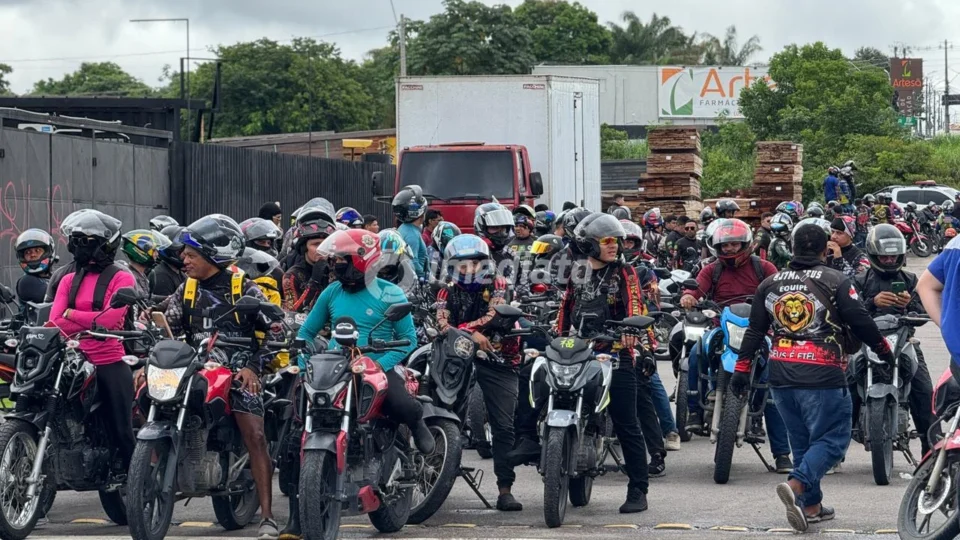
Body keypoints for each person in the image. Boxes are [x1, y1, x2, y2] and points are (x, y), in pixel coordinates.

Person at [733, 221, 894, 532]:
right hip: (823, 374)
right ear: (824, 250)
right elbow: (860, 320)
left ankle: (812, 506)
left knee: (804, 443)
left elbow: (754, 331)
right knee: (834, 440)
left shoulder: (770, 283)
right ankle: (796, 485)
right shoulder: (837, 279)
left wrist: (741, 369)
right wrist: (883, 350)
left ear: (792, 250)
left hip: (780, 376)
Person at [164, 214, 284, 540]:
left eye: (191, 255)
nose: (183, 259)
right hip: (192, 367)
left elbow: (276, 331)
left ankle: (268, 518)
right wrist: (148, 326)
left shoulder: (242, 287)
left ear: (212, 256)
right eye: (183, 254)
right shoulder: (186, 289)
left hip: (238, 369)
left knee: (255, 435)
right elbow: (166, 323)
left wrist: (253, 368)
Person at [553, 213, 656, 512]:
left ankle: (638, 489)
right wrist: (556, 339)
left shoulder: (626, 273)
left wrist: (636, 338)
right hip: (579, 351)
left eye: (618, 241)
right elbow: (565, 309)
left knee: (627, 422)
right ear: (589, 244)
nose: (615, 246)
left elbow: (637, 304)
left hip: (615, 352)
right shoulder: (577, 271)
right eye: (608, 241)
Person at [679, 219, 792, 472]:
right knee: (696, 355)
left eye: (733, 244)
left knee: (772, 380)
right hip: (721, 327)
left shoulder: (765, 267)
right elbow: (695, 291)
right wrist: (689, 297)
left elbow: (782, 294)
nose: (729, 249)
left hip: (760, 330)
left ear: (745, 244)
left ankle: (782, 454)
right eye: (724, 245)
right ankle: (696, 411)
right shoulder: (711, 270)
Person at [48, 210, 137, 485]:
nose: (82, 244)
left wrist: (72, 315)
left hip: (108, 359)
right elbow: (54, 321)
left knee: (122, 428)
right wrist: (81, 321)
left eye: (89, 239)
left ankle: (137, 482)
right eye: (78, 239)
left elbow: (110, 321)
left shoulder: (122, 278)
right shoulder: (66, 279)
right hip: (72, 358)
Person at [436, 234, 523, 511]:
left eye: (475, 263)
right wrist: (469, 334)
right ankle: (431, 477)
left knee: (503, 425)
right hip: (457, 356)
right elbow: (440, 322)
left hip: (500, 357)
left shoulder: (498, 283)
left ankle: (505, 488)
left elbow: (494, 315)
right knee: (437, 412)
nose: (469, 269)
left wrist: (466, 330)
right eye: (462, 265)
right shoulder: (445, 288)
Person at [854, 224, 934, 454]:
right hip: (866, 343)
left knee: (924, 391)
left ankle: (929, 450)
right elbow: (849, 311)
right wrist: (872, 303)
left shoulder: (910, 280)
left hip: (904, 343)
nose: (889, 260)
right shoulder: (860, 281)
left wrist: (909, 304)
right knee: (845, 386)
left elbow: (924, 313)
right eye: (884, 256)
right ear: (873, 254)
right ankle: (835, 449)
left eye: (893, 256)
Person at [282, 205, 337, 313]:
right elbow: (293, 312)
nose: (322, 249)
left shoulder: (336, 270)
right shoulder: (292, 276)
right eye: (316, 244)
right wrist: (314, 281)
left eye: (325, 244)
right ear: (303, 247)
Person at [393, 185, 430, 279]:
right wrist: (425, 278)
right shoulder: (412, 234)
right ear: (421, 212)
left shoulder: (404, 227)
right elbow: (412, 261)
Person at [15, 229, 57, 309]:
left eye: (37, 251)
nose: (33, 255)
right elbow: (56, 298)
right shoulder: (27, 281)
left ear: (48, 252)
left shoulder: (52, 277)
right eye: (28, 252)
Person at [120, 229, 171, 296]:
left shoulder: (141, 274)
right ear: (141, 252)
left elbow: (148, 298)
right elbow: (142, 298)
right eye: (154, 250)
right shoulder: (130, 277)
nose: (157, 254)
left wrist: (170, 298)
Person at [149, 224, 186, 299]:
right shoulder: (162, 275)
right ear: (170, 251)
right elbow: (164, 307)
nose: (185, 256)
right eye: (181, 251)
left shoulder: (179, 273)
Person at [377, 228, 418, 296]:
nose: (385, 261)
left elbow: (412, 291)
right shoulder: (369, 269)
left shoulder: (405, 266)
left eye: (390, 256)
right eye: (380, 256)